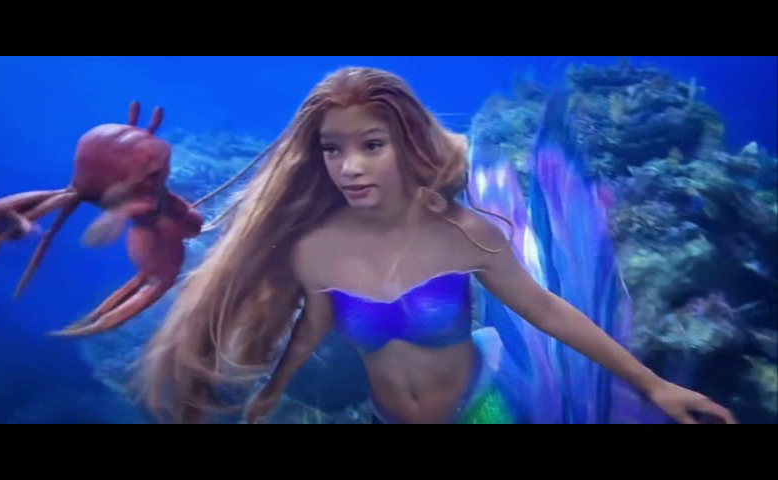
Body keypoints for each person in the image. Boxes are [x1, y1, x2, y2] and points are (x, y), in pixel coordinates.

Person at [134, 66, 737, 424]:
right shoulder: (314, 248)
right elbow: (313, 325)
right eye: (332, 149)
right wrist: (272, 388)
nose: (349, 167)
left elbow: (548, 311)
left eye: (371, 145)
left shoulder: (465, 233)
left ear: (406, 144)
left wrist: (653, 385)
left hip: (481, 413)